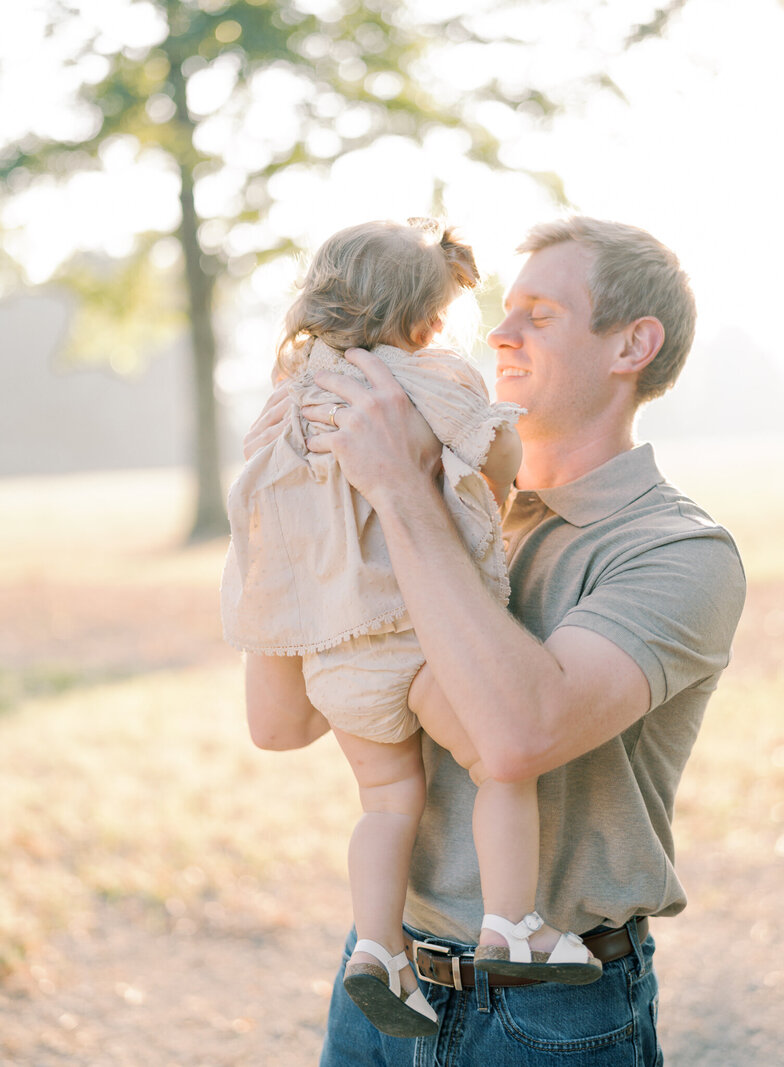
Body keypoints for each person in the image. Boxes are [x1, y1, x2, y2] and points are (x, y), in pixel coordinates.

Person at [243, 216, 746, 1065]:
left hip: (549, 1014)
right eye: (505, 309)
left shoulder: (675, 549)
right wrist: (293, 520)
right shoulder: (444, 504)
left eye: (540, 315)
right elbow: (280, 725)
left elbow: (517, 737)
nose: (499, 333)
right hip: (384, 981)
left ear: (633, 344)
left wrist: (401, 487)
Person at [222, 218, 601, 1042]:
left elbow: (257, 519)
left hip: (331, 657)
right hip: (416, 640)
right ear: (427, 318)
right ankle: (515, 923)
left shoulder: (287, 405)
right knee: (501, 764)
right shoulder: (428, 379)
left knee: (387, 801)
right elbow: (499, 451)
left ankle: (378, 948)